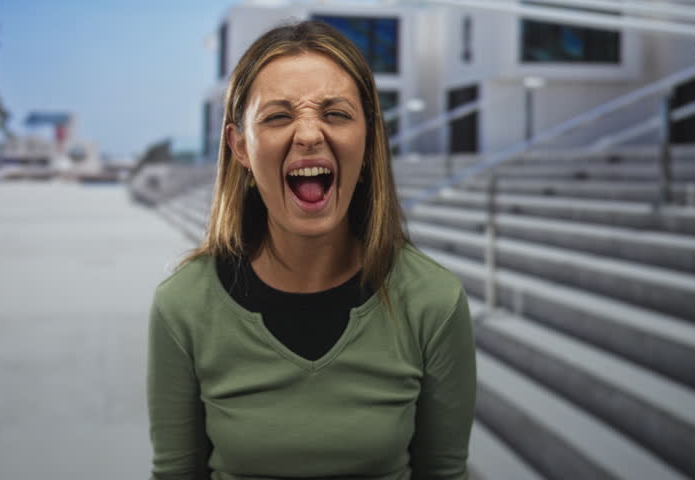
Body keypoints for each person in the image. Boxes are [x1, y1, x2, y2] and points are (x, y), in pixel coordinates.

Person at [147, 20, 476, 480]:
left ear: (369, 138)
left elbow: (445, 472)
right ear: (239, 145)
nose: (308, 135)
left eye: (336, 114)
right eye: (278, 116)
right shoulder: (182, 305)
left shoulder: (433, 301)